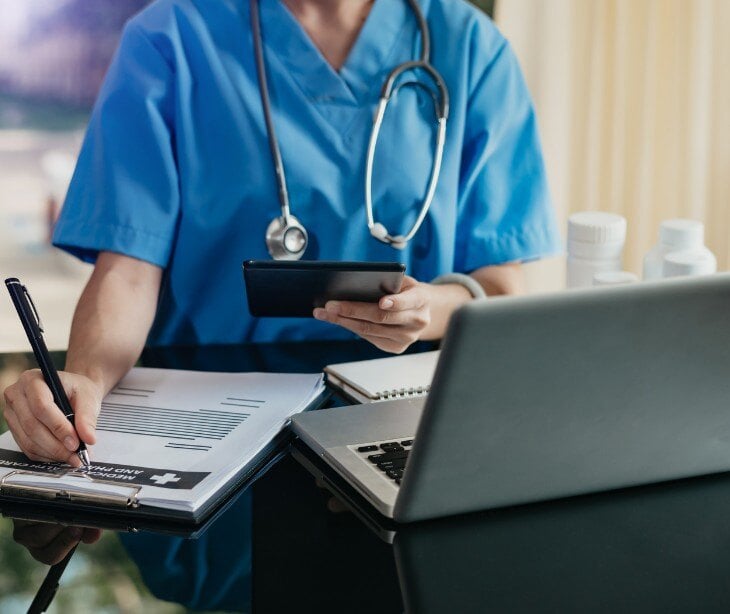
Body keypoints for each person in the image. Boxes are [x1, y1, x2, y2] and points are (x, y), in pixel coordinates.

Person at [3, 0, 560, 466]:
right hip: (201, 426)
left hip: (407, 427)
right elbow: (126, 271)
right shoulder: (170, 36)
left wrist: (424, 310)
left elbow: (499, 285)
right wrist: (84, 384)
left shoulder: (470, 48)